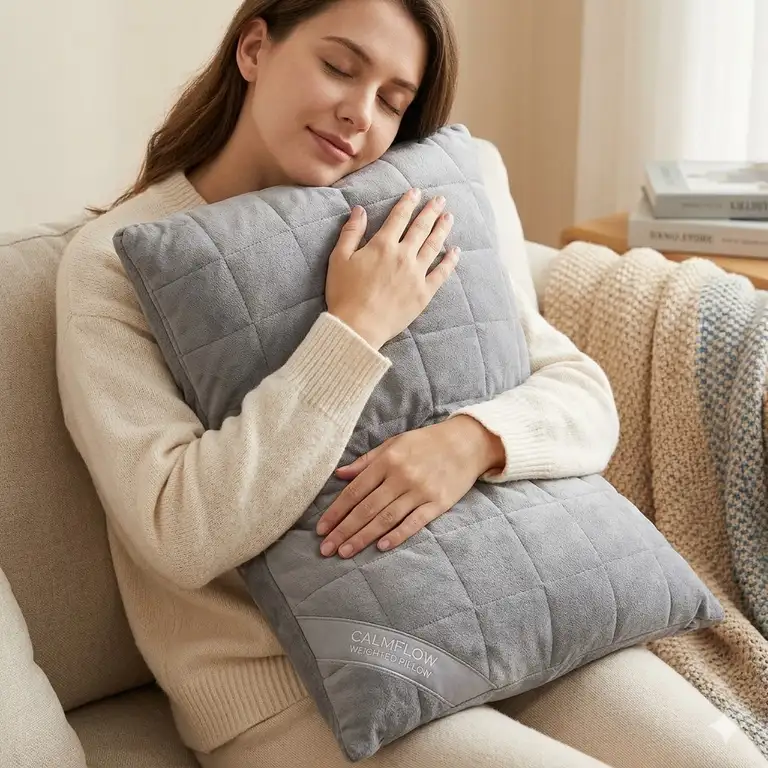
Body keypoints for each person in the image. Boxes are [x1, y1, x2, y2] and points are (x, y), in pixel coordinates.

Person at [55, 1, 765, 767]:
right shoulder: (111, 265)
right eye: (339, 66)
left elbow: (584, 398)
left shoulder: (416, 207)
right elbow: (182, 531)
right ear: (255, 48)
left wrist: (471, 443)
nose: (359, 114)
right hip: (301, 692)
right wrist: (354, 331)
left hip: (515, 614)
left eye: (393, 100)